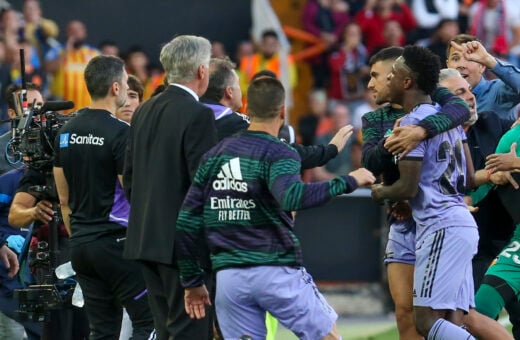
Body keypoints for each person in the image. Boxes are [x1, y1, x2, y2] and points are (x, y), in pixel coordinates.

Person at [175, 76, 376, 339]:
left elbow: (186, 222)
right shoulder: (279, 152)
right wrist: (350, 180)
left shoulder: (215, 155)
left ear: (246, 109)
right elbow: (291, 197)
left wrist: (191, 281)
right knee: (327, 336)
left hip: (229, 277)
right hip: (275, 269)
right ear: (282, 111)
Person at [371, 45, 480, 339]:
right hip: (461, 221)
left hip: (440, 223)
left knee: (425, 319)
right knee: (451, 318)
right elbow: (469, 178)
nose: (387, 79)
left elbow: (407, 186)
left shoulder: (411, 124)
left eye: (393, 74)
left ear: (407, 82)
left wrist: (380, 192)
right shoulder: (448, 118)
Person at [52, 55, 154, 339]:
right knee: (149, 323)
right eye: (124, 81)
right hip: (116, 245)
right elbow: (134, 192)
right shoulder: (122, 133)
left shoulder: (66, 131)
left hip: (82, 247)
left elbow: (64, 199)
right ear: (115, 88)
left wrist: (80, 237)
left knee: (102, 331)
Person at [123, 35, 217, 340]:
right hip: (182, 252)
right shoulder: (199, 114)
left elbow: (130, 179)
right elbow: (203, 191)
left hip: (145, 243)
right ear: (202, 71)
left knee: (164, 332)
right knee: (189, 332)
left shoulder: (145, 111)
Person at [44, 20, 99, 113]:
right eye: (72, 30)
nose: (76, 33)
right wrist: (66, 52)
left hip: (86, 108)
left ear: (84, 33)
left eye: (79, 30)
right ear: (67, 33)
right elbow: (48, 69)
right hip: (62, 109)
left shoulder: (94, 53)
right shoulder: (57, 51)